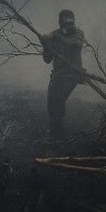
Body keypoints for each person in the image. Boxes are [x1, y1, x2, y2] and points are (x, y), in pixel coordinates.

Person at [41, 9, 85, 138]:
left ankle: (57, 135)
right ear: (60, 23)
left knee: (58, 100)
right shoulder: (54, 35)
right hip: (58, 74)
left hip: (73, 74)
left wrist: (54, 37)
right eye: (65, 22)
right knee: (51, 102)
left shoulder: (78, 34)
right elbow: (47, 59)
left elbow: (74, 45)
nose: (68, 25)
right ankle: (55, 130)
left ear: (74, 21)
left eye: (70, 21)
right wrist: (46, 45)